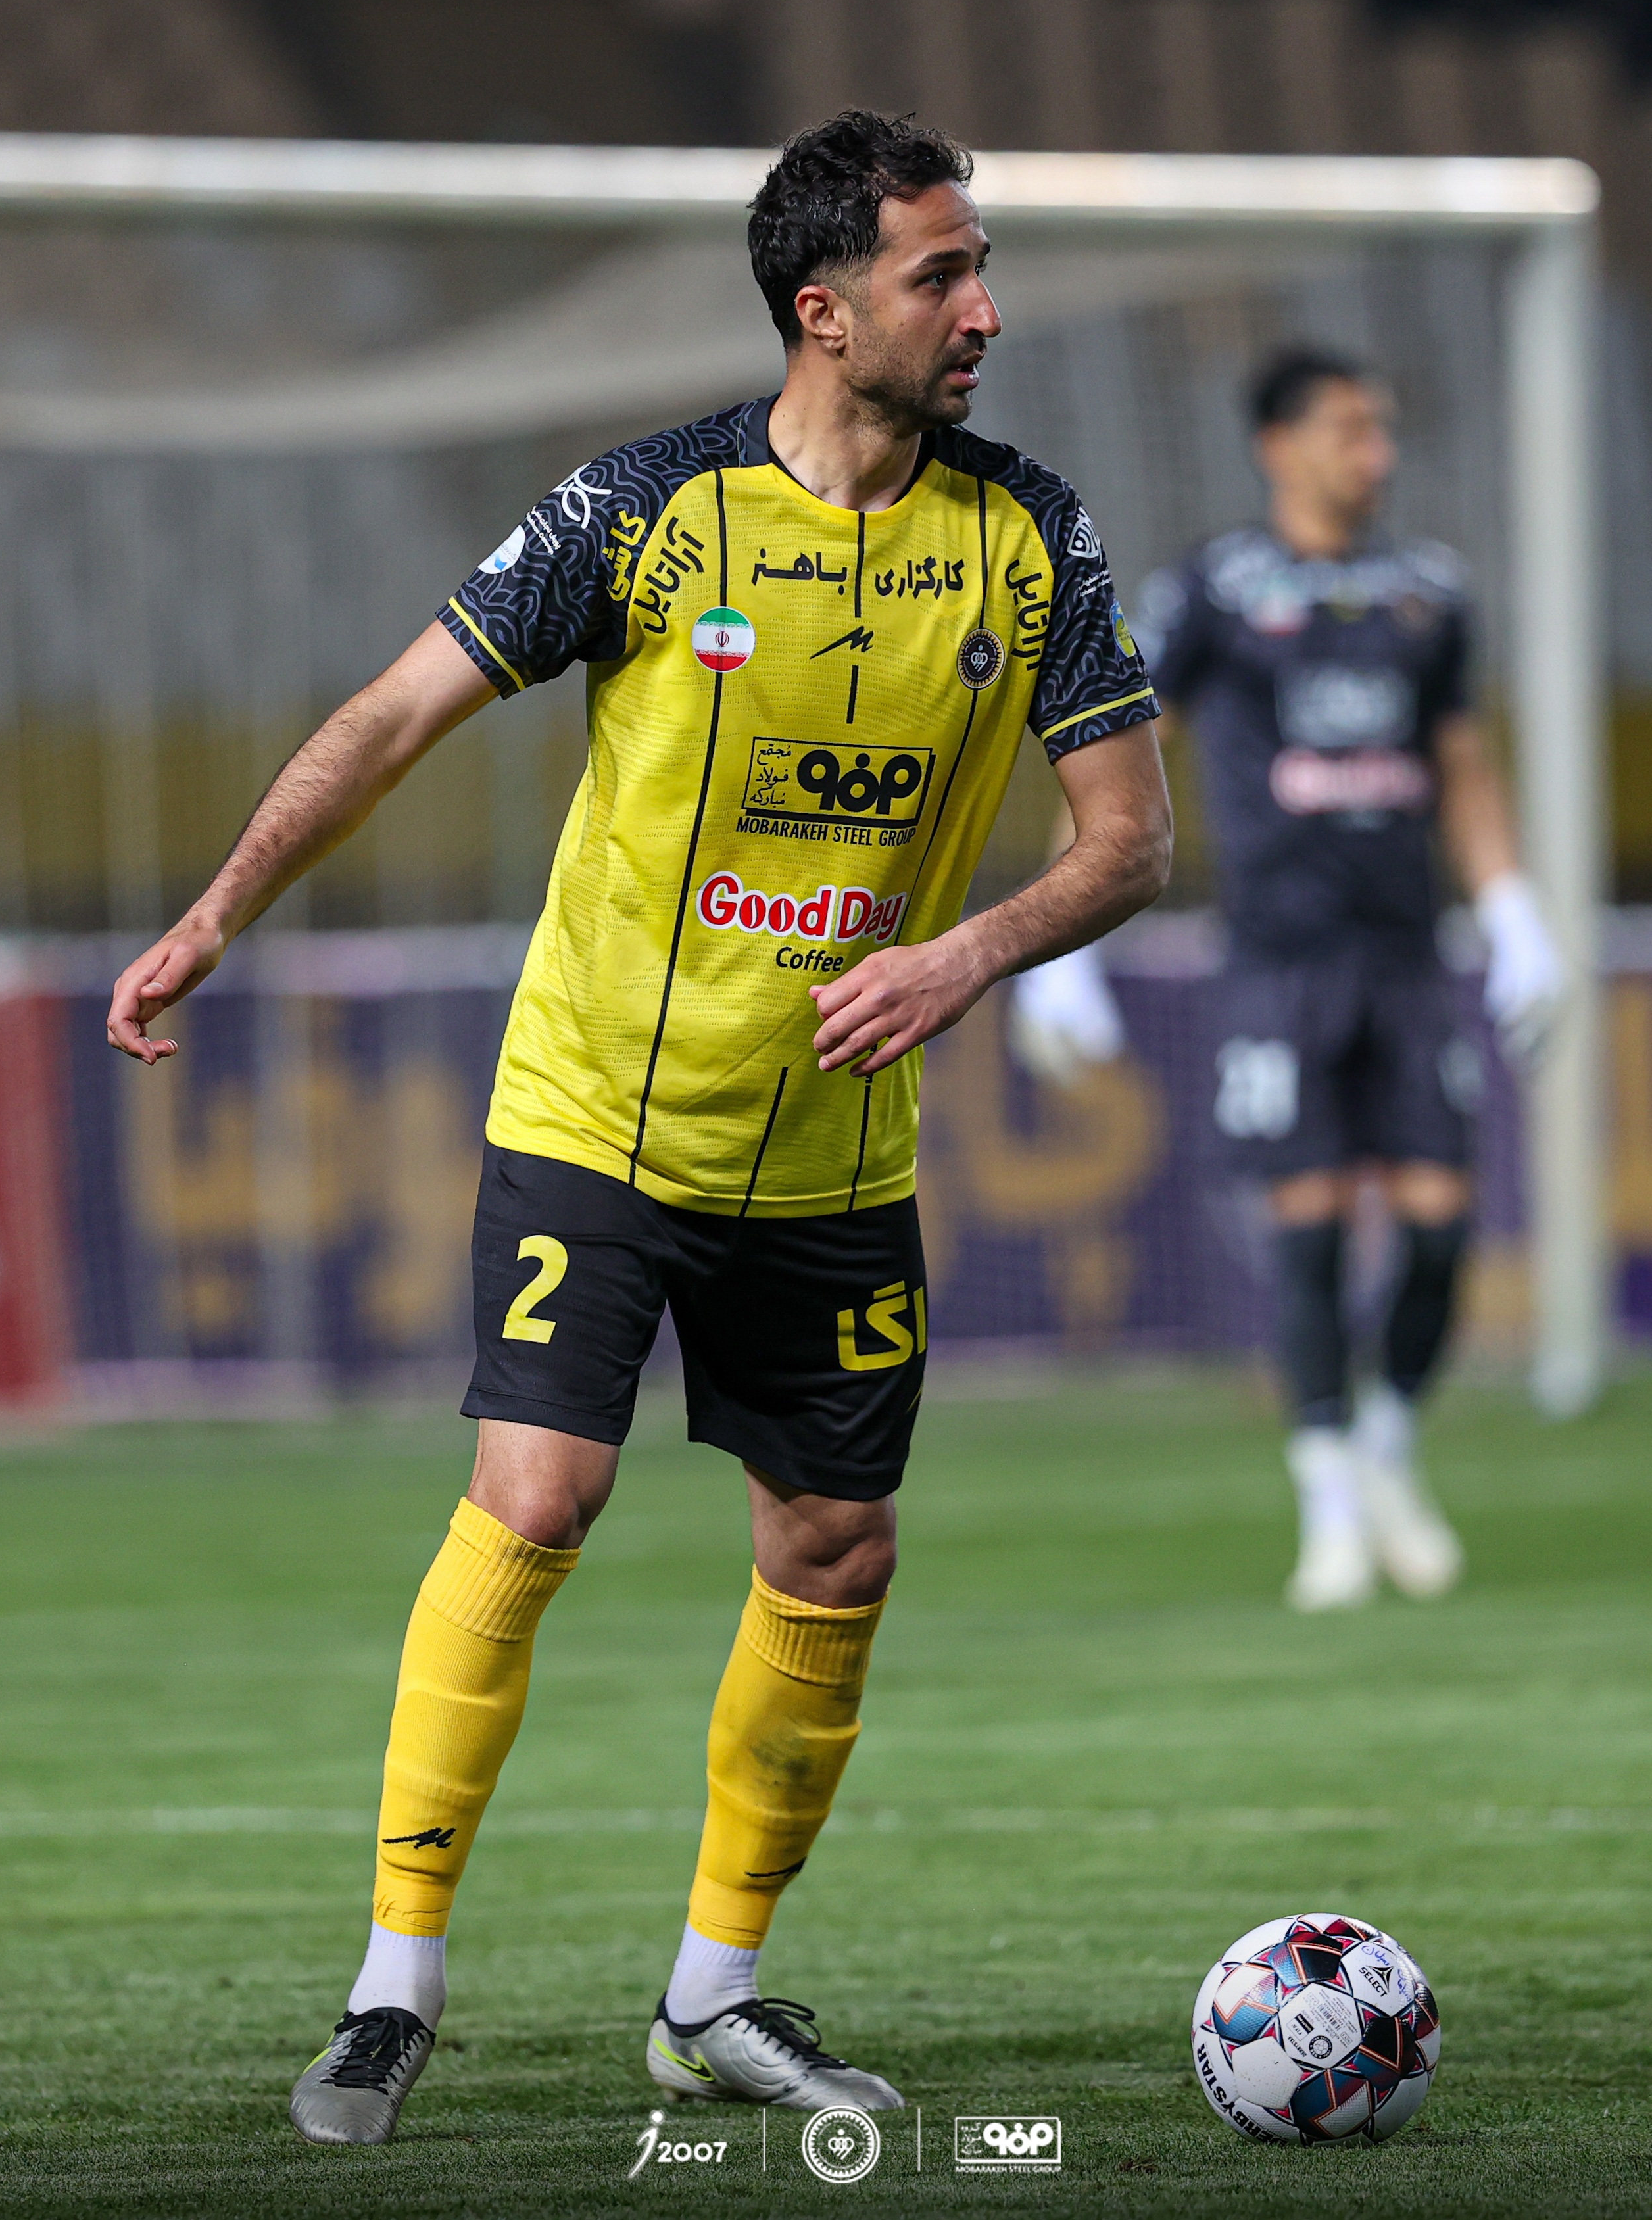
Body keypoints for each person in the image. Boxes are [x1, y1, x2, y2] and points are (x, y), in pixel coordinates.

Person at [106, 110, 1171, 2140]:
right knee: (536, 1497)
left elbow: (1128, 840)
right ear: (822, 308)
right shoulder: (644, 510)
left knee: (833, 1546)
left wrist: (965, 952)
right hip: (598, 1112)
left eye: (978, 267)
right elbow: (391, 713)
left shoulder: (1031, 535)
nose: (982, 310)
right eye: (942, 273)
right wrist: (219, 910)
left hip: (834, 1156)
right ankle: (393, 1982)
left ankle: (712, 1996)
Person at [1015, 348, 1561, 1613]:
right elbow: (1118, 749)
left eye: (1381, 431)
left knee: (1438, 1227)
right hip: (1277, 964)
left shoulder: (1428, 591)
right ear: (1278, 445)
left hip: (1407, 957)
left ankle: (1387, 1448)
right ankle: (1327, 1501)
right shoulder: (1215, 588)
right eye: (1348, 430)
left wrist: (1513, 910)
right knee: (1307, 1229)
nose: (1374, 454)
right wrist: (1063, 942)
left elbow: (1462, 762)